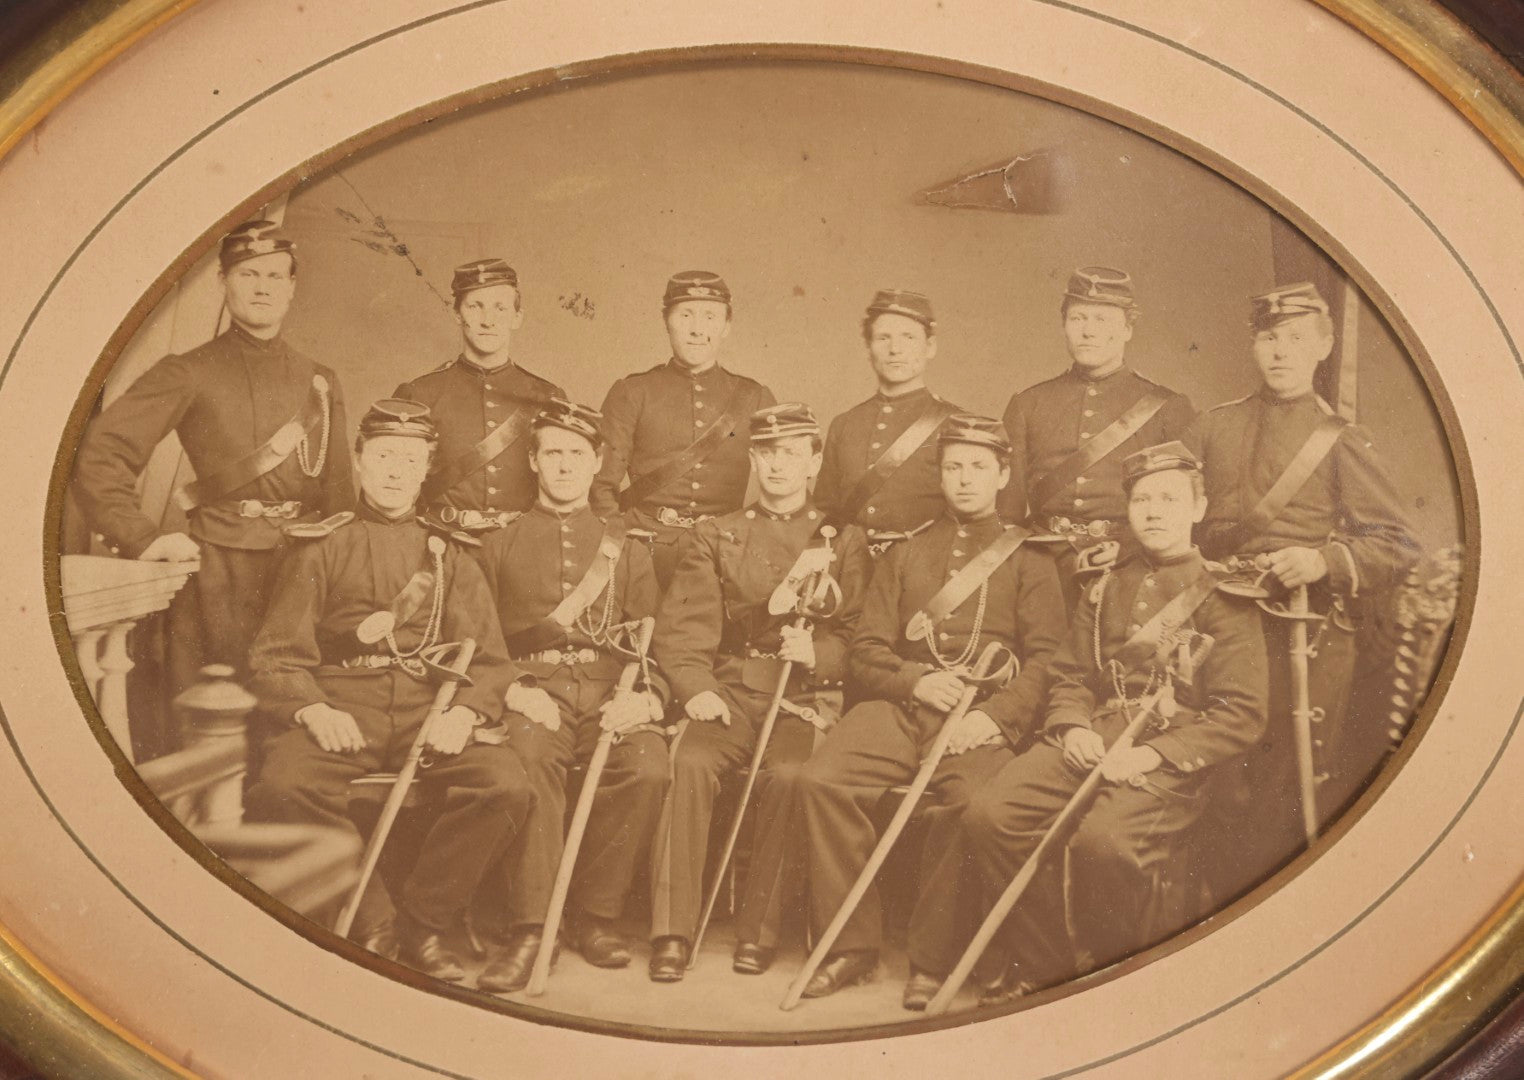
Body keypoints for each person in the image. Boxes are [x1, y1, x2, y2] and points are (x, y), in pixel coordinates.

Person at [902, 441, 1269, 1009]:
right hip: (1092, 735)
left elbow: (1241, 712)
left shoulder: (1226, 596)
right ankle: (1048, 966)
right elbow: (1071, 673)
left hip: (1169, 756)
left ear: (1199, 508)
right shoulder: (1104, 584)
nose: (1153, 512)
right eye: (1142, 500)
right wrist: (1073, 726)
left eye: (1169, 499)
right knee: (990, 814)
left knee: (1103, 844)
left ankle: (1106, 973)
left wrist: (1151, 755)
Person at [244, 399, 526, 984]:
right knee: (283, 785)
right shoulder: (321, 545)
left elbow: (490, 661)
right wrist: (312, 708)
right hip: (346, 704)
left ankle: (424, 923)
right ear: (359, 461)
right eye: (384, 456)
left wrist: (466, 713)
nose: (396, 471)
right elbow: (276, 655)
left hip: (429, 708)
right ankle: (372, 920)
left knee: (505, 786)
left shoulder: (451, 553)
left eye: (410, 459)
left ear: (427, 469)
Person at [787, 414, 1067, 999]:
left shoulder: (1029, 559)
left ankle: (932, 959)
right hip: (899, 706)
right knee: (820, 780)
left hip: (977, 716)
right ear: (939, 474)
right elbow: (866, 651)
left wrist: (993, 718)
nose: (964, 479)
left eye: (979, 467)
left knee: (967, 805)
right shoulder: (906, 551)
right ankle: (850, 947)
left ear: (1003, 475)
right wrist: (915, 682)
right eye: (953, 467)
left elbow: (1047, 662)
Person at [1183, 282, 1420, 897]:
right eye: (1269, 338)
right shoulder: (1212, 427)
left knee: (1274, 791)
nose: (1280, 351)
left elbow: (1397, 544)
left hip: (1298, 632)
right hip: (1214, 625)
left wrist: (1322, 560)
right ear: (1253, 346)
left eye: (1294, 338)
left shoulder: (1339, 439)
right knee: (1208, 775)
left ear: (1323, 346)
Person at [72, 220, 353, 704]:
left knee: (292, 711)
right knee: (209, 712)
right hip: (216, 576)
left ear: (291, 287)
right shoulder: (189, 370)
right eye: (248, 274)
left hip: (302, 572)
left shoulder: (320, 381)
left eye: (274, 275)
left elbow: (339, 493)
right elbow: (100, 454)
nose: (262, 288)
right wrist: (142, 538)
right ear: (223, 282)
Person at [646, 402, 872, 982]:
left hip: (802, 698)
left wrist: (817, 654)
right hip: (730, 691)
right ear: (752, 459)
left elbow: (858, 636)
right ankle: (671, 932)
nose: (777, 465)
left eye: (791, 453)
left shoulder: (842, 540)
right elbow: (684, 630)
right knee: (688, 762)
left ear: (814, 462)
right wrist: (695, 688)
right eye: (767, 453)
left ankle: (759, 932)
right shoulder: (717, 533)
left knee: (792, 776)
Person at [471, 399, 670, 994]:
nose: (564, 465)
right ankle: (534, 927)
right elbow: (479, 642)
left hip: (611, 689)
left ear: (598, 462)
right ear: (533, 461)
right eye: (552, 452)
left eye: (576, 454)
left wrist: (646, 697)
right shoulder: (497, 543)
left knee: (649, 766)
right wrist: (512, 689)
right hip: (533, 690)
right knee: (530, 760)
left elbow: (652, 644)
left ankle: (595, 915)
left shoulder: (627, 548)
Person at [998, 267, 1193, 610]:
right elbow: (1007, 516)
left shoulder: (1167, 408)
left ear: (1128, 329)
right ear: (1064, 325)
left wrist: (1130, 548)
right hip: (1041, 570)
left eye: (1102, 319)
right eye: (1078, 318)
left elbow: (1182, 508)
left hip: (1130, 565)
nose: (1088, 331)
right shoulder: (1027, 404)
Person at [591, 271, 776, 587]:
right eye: (686, 315)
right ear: (666, 321)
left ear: (726, 326)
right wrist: (620, 550)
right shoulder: (632, 393)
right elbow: (600, 487)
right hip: (642, 552)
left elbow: (784, 486)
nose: (697, 329)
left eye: (710, 316)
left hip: (725, 557)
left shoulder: (754, 397)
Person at [394, 258, 564, 535]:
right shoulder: (420, 394)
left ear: (517, 317)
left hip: (521, 543)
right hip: (442, 540)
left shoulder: (547, 397)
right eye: (475, 306)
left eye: (500, 308)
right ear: (457, 314)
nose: (488, 320)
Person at [814, 289, 965, 556]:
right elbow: (825, 512)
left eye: (908, 337)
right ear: (868, 348)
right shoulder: (845, 424)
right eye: (883, 338)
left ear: (930, 347)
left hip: (923, 567)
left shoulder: (955, 424)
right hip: (849, 568)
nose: (895, 349)